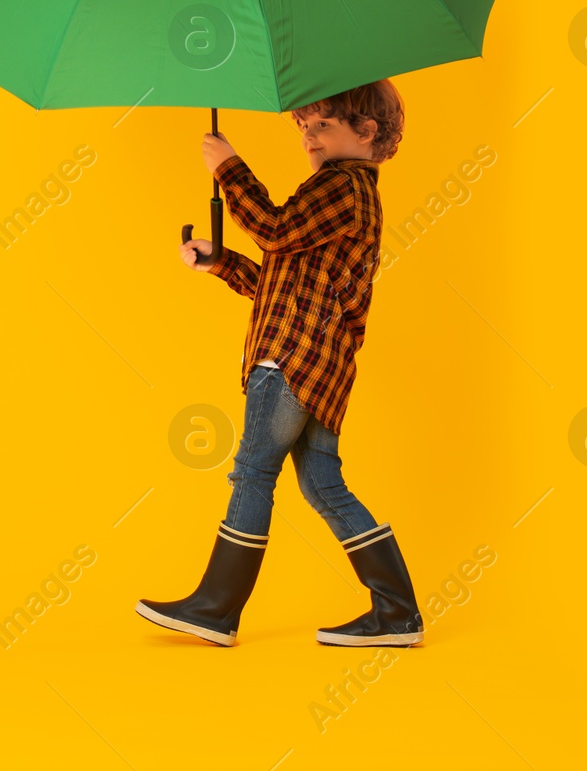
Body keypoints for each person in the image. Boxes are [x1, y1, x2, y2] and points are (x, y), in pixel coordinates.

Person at [135, 79, 425, 648]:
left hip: (290, 358)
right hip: (319, 363)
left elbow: (271, 228)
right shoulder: (342, 193)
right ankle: (397, 611)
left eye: (322, 125)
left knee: (252, 472)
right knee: (322, 484)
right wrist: (222, 264)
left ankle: (216, 609)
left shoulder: (342, 187)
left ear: (366, 132)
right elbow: (280, 277)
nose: (308, 137)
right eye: (302, 126)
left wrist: (229, 168)